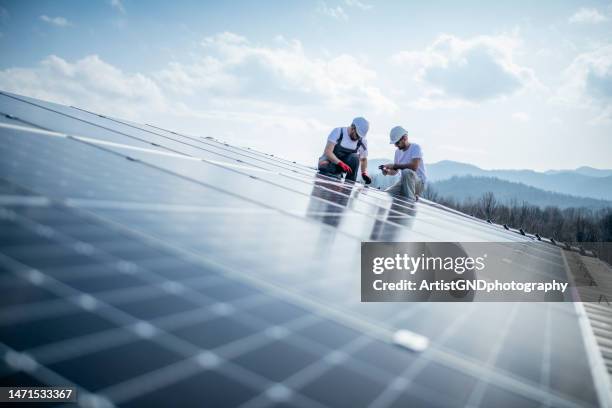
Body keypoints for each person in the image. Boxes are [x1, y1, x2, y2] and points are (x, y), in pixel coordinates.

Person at [318, 117, 372, 184]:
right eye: (357, 135)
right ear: (353, 127)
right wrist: (340, 163)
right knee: (324, 164)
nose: (358, 138)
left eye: (360, 136)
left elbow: (363, 159)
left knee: (355, 158)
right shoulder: (338, 132)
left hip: (342, 167)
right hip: (329, 162)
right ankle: (333, 175)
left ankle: (349, 184)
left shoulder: (362, 141)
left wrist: (364, 172)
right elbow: (328, 152)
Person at [381, 126, 427, 200]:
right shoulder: (397, 152)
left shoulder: (415, 148)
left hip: (418, 183)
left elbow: (414, 167)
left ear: (405, 138)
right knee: (387, 194)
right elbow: (395, 171)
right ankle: (411, 196)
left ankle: (411, 200)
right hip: (403, 182)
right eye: (394, 144)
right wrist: (387, 171)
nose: (396, 145)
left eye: (397, 143)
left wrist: (394, 166)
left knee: (406, 172)